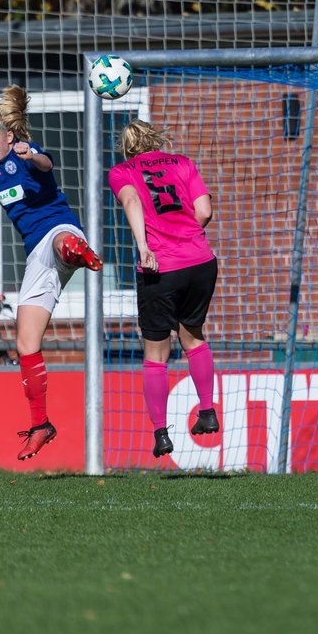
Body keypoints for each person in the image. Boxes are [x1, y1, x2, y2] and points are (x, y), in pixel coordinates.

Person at [0, 85, 103, 460]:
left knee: (59, 240)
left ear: (10, 135)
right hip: (38, 257)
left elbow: (47, 165)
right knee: (25, 344)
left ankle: (78, 251)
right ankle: (41, 424)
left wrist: (29, 154)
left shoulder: (28, 154)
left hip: (60, 230)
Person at [108, 120, 219, 458]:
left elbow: (132, 203)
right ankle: (207, 411)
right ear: (154, 140)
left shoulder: (121, 171)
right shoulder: (183, 163)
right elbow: (205, 211)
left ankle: (160, 434)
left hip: (161, 268)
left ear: (127, 147)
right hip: (201, 262)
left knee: (156, 355)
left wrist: (145, 246)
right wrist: (184, 237)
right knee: (193, 337)